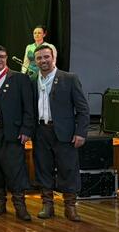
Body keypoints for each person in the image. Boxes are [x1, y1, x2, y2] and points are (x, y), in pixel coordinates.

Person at [32, 44, 90, 221]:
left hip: (64, 133)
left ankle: (70, 207)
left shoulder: (69, 78)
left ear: (54, 58)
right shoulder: (32, 79)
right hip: (40, 131)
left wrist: (81, 132)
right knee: (43, 168)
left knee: (68, 169)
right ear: (35, 61)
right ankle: (47, 205)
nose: (43, 60)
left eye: (46, 57)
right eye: (39, 58)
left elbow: (83, 109)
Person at [0, 46, 34, 221]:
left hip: (12, 132)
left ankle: (20, 205)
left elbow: (29, 108)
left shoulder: (19, 79)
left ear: (6, 58)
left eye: (2, 56)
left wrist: (26, 129)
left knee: (15, 169)